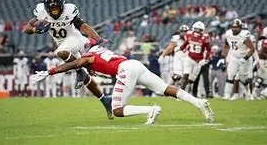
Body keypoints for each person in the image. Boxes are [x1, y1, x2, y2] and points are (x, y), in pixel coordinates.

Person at [31, 44, 214, 124]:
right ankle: (199, 102)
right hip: (133, 64)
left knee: (117, 109)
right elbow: (99, 61)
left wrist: (50, 71)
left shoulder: (87, 57)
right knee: (165, 89)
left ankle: (150, 110)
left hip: (125, 70)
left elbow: (74, 64)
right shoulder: (100, 51)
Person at [24, 0, 112, 119]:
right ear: (46, 6)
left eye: (56, 5)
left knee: (60, 52)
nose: (54, 8)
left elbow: (83, 26)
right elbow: (27, 29)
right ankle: (105, 100)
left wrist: (97, 39)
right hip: (64, 44)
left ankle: (80, 70)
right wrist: (36, 29)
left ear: (62, 4)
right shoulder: (41, 11)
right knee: (86, 78)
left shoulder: (69, 10)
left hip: (75, 39)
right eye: (51, 6)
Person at [222, 19, 255, 100]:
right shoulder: (229, 34)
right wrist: (225, 58)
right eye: (233, 27)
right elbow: (225, 46)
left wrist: (245, 58)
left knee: (246, 78)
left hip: (245, 58)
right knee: (231, 75)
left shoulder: (244, 35)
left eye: (236, 27)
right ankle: (227, 95)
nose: (234, 29)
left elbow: (252, 49)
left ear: (240, 28)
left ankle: (250, 94)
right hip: (234, 57)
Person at [178, 21, 211, 92]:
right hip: (189, 58)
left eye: (199, 30)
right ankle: (180, 92)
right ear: (193, 29)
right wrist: (180, 48)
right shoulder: (189, 34)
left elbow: (208, 50)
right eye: (196, 29)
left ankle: (182, 87)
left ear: (202, 30)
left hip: (198, 61)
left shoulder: (205, 38)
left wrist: (205, 59)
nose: (197, 32)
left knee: (191, 80)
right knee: (186, 74)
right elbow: (186, 43)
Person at [257, 27, 267, 98]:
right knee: (263, 77)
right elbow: (260, 53)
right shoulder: (265, 41)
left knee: (262, 77)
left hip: (262, 60)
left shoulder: (262, 41)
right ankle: (263, 92)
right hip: (263, 60)